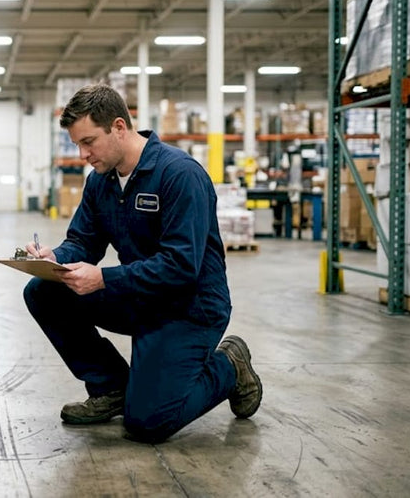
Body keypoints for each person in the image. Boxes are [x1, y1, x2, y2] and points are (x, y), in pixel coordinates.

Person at [23, 84, 262, 443]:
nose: (83, 154)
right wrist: (54, 258)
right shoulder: (100, 182)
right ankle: (111, 388)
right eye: (77, 145)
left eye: (89, 142)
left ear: (119, 126)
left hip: (190, 307)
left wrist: (103, 278)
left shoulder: (179, 175)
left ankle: (230, 365)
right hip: (141, 296)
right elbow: (83, 242)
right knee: (43, 290)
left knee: (148, 423)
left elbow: (181, 266)